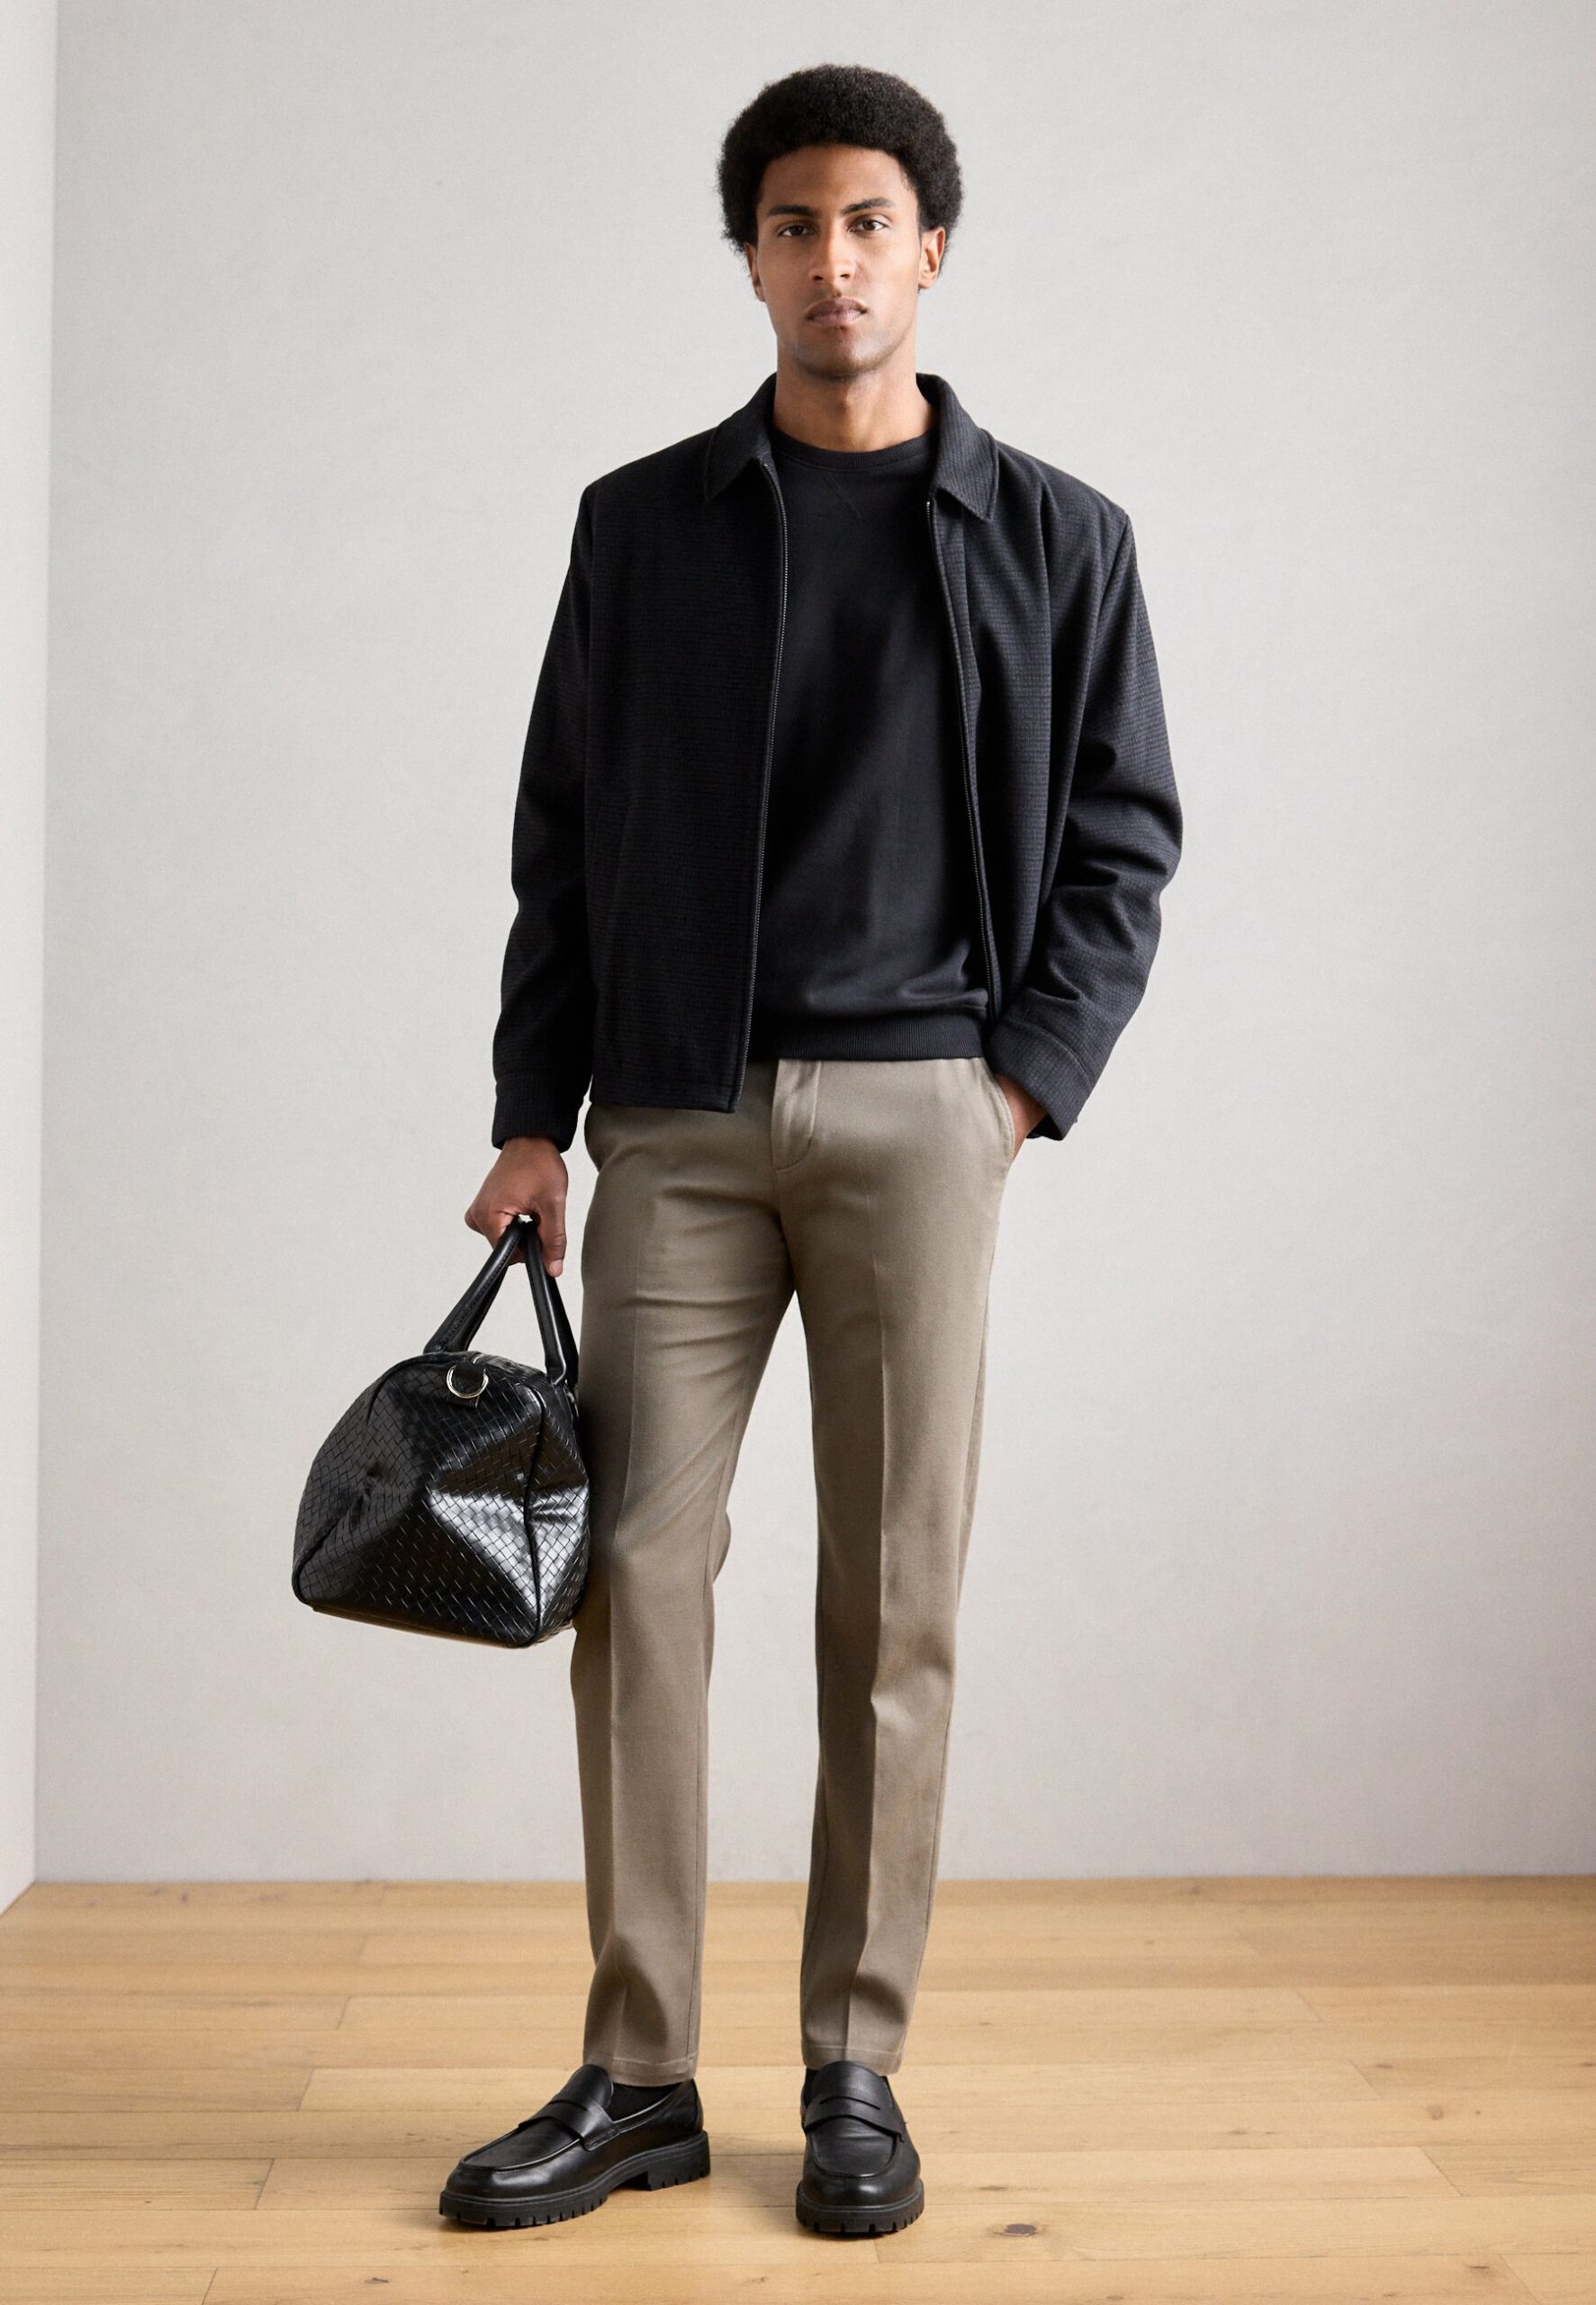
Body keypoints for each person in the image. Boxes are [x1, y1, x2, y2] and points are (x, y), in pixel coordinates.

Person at [439, 60, 1182, 2241]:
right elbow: (560, 839)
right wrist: (529, 1113)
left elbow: (1123, 840)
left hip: (920, 1117)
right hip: (671, 1116)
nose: (830, 260)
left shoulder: (1058, 536)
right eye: (791, 225)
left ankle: (854, 2062)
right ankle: (636, 2068)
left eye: (866, 221)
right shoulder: (640, 525)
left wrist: (1012, 1086)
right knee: (632, 1582)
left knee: (892, 1596)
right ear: (748, 257)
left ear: (927, 250)